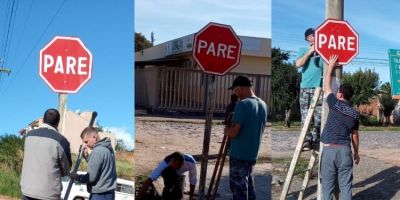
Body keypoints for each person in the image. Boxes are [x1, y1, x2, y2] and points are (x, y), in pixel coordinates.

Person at [320, 55, 360, 200]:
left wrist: (330, 66)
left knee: (327, 188)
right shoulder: (355, 114)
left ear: (341, 94)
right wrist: (356, 153)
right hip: (345, 152)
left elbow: (327, 86)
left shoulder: (334, 104)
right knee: (346, 187)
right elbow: (354, 135)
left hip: (330, 150)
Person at [224, 75, 268, 200]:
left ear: (243, 88)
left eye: (236, 90)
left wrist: (227, 131)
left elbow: (234, 133)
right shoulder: (263, 104)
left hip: (239, 153)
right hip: (252, 153)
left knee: (238, 189)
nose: (236, 94)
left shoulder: (242, 105)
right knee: (249, 186)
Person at [20, 108, 72, 200]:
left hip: (27, 191)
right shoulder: (62, 141)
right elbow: (66, 170)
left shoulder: (29, 136)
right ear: (57, 123)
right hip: (49, 194)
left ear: (43, 120)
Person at [295, 27, 325, 150]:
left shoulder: (324, 52)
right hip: (306, 88)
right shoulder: (303, 50)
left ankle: (315, 140)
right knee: (305, 116)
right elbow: (298, 64)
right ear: (308, 38)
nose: (317, 36)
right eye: (314, 35)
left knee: (318, 117)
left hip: (319, 88)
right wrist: (310, 52)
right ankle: (306, 141)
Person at [71, 126, 117, 200]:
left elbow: (91, 178)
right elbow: (101, 167)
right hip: (109, 194)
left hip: (100, 195)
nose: (85, 145)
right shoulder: (108, 149)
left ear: (94, 137)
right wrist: (87, 157)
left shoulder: (97, 152)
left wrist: (76, 176)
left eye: (86, 142)